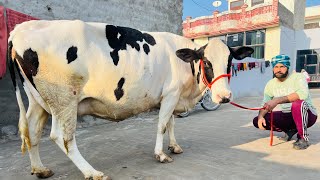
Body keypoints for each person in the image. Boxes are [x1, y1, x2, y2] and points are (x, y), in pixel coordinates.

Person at [252, 54, 317, 150]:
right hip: (288, 115)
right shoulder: (270, 84)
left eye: (282, 66)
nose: (279, 69)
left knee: (298, 104)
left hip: (308, 114)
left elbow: (302, 95)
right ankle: (290, 130)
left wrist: (277, 100)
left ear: (287, 67)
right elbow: (265, 103)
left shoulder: (298, 77)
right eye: (276, 67)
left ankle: (303, 138)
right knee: (257, 120)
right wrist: (261, 116)